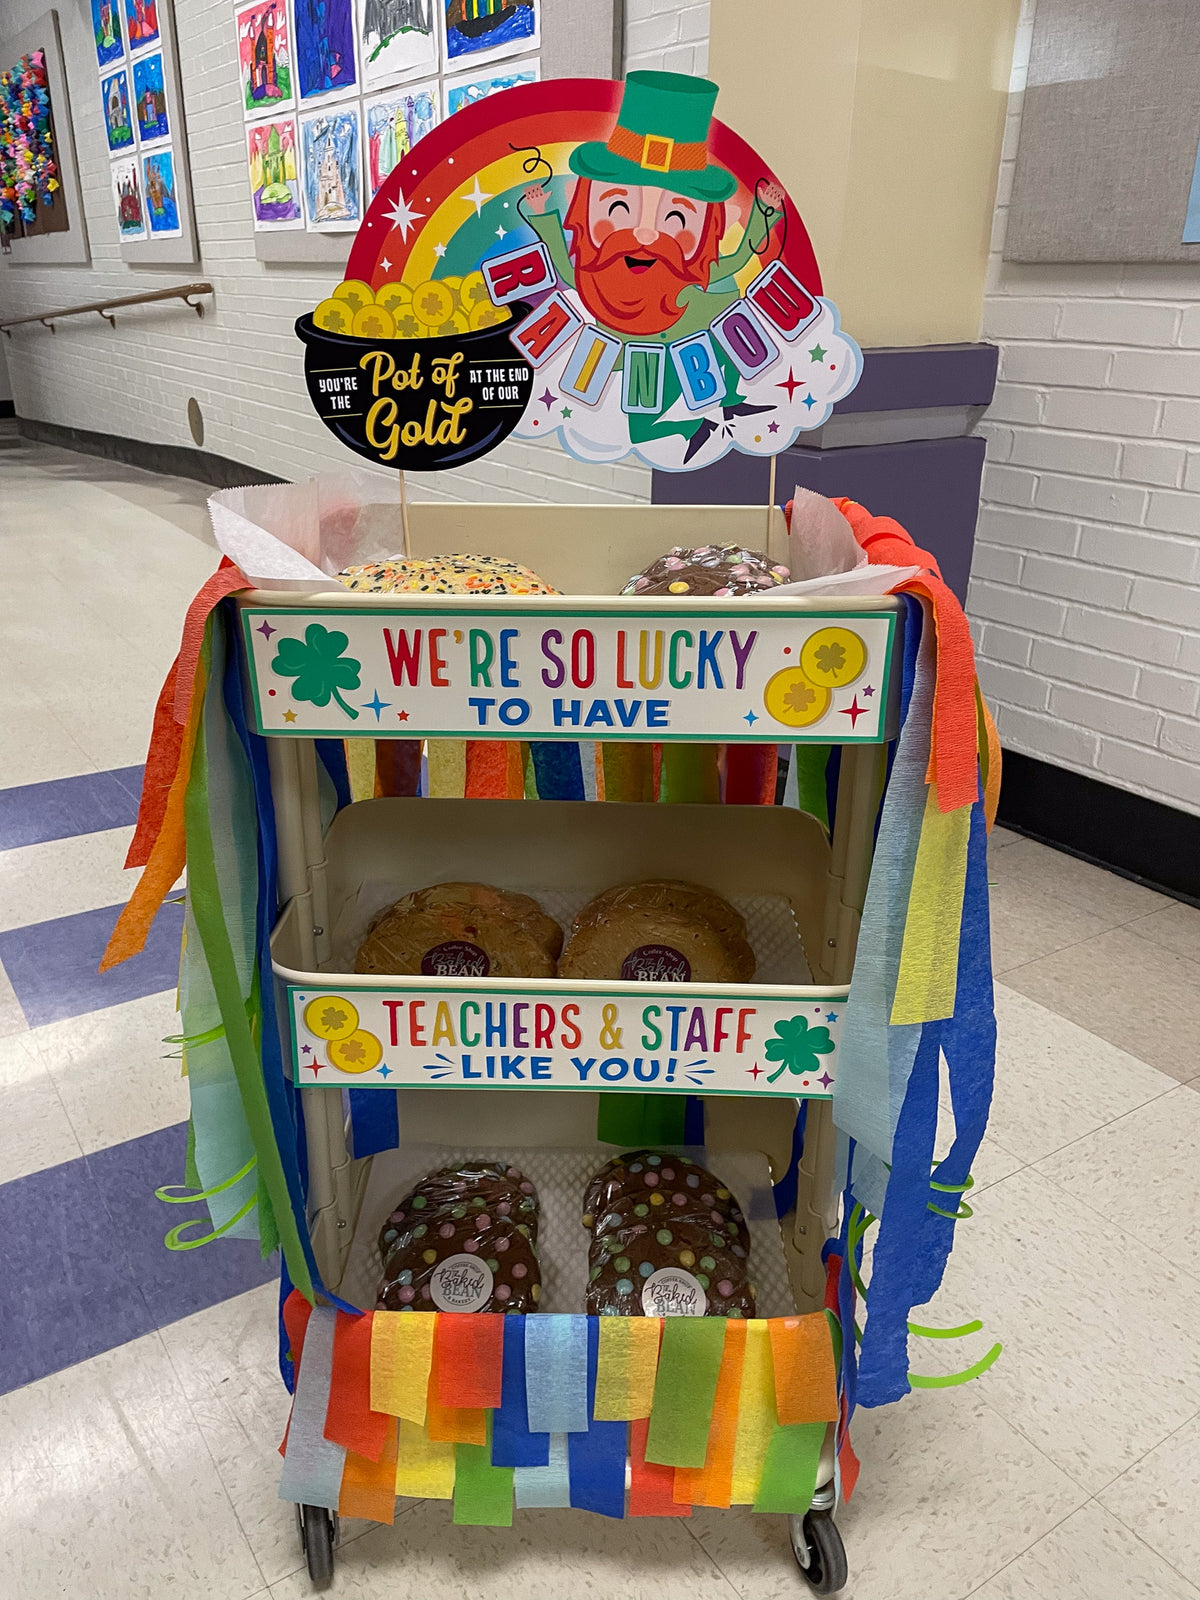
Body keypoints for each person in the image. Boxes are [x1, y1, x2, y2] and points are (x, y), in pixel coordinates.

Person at [522, 70, 783, 343]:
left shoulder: (695, 276)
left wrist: (765, 213)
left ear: (719, 223)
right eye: (618, 208)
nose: (645, 235)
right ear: (577, 198)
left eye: (676, 217)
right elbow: (563, 266)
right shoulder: (590, 274)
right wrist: (541, 213)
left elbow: (740, 259)